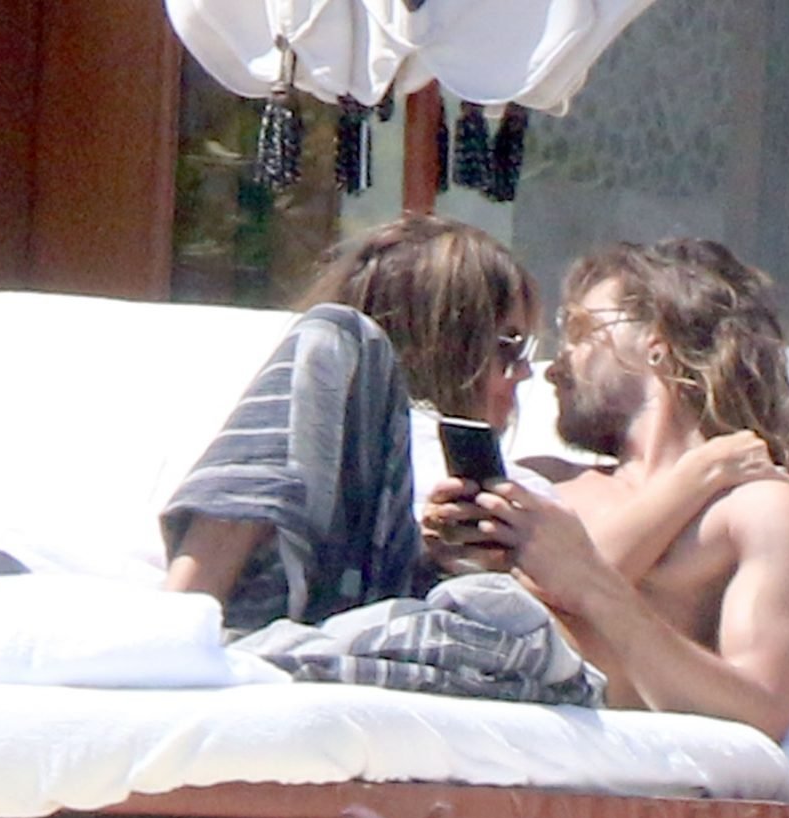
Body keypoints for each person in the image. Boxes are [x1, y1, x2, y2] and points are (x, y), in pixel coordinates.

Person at [422, 239, 789, 741]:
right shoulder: (543, 478)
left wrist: (596, 589)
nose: (554, 367)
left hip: (482, 689)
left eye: (581, 330)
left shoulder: (761, 511)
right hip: (416, 640)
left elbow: (761, 713)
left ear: (656, 345)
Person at [161, 213, 543, 633]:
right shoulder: (303, 423)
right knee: (331, 332)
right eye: (509, 346)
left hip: (388, 632)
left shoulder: (525, 498)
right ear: (449, 343)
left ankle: (172, 632)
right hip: (289, 621)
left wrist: (457, 564)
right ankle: (174, 630)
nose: (525, 373)